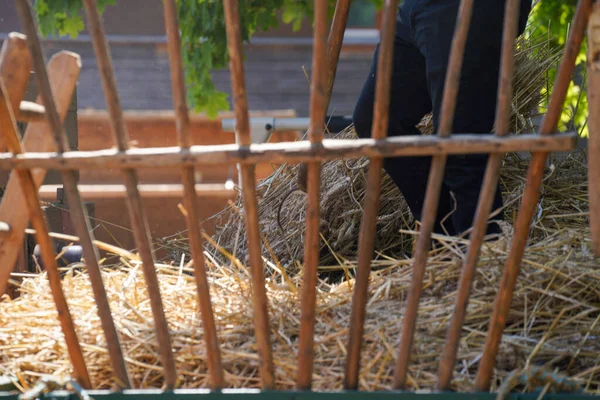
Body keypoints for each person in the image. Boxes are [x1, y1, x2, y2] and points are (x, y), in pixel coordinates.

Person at [351, 0, 532, 237]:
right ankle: (449, 244)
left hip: (466, 8)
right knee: (378, 121)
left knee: (461, 147)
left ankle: (481, 261)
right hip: (416, 7)